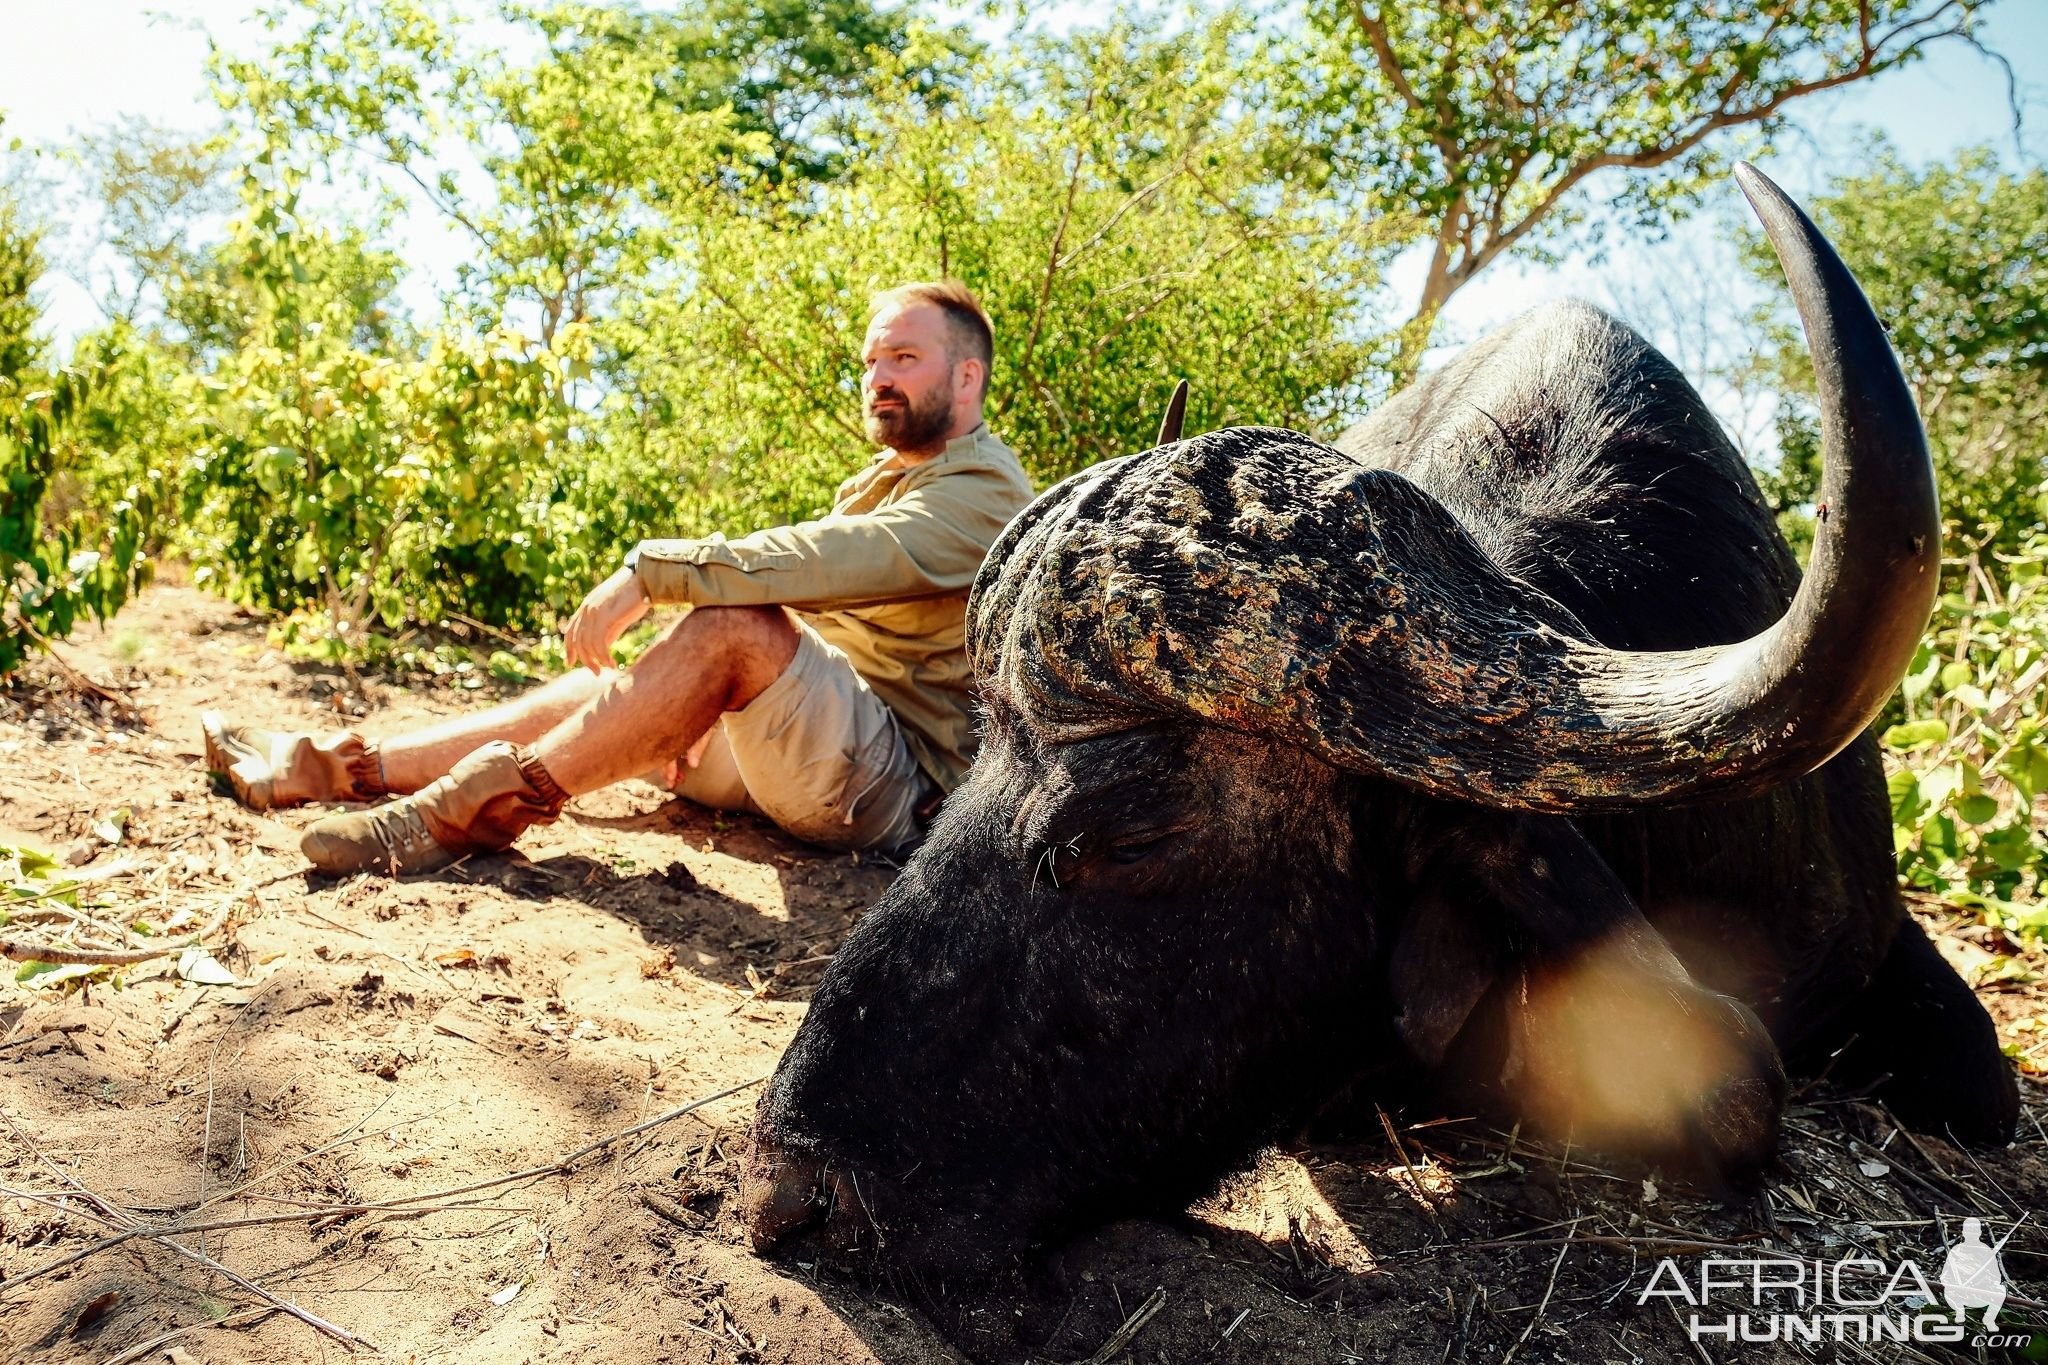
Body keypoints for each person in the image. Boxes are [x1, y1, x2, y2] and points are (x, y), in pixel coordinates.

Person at [202, 281, 1035, 875]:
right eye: (871, 359)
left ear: (967, 377)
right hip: (807, 756)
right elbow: (828, 633)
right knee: (603, 692)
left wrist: (654, 570)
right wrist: (700, 701)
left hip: (889, 790)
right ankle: (329, 769)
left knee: (730, 624)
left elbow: (828, 562)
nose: (879, 376)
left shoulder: (988, 492)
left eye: (905, 357)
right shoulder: (885, 477)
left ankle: (452, 821)